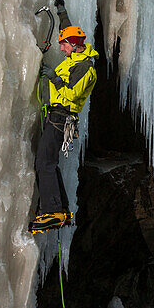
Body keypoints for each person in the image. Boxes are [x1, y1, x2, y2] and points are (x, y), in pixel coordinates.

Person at [29, 26, 99, 232]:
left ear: (75, 45)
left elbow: (70, 94)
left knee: (44, 162)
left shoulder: (85, 67)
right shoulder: (75, 59)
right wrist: (61, 10)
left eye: (64, 44)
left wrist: (54, 77)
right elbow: (68, 30)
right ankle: (63, 210)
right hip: (57, 115)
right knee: (50, 162)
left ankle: (53, 212)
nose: (61, 48)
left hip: (60, 117)